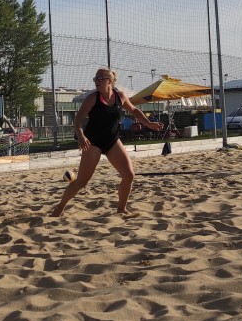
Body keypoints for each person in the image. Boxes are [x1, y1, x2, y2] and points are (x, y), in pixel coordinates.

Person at [51, 68, 163, 217]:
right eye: (95, 79)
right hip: (93, 143)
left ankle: (121, 208)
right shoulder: (92, 98)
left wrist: (149, 124)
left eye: (100, 79)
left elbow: (134, 110)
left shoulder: (120, 97)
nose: (96, 82)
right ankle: (60, 207)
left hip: (112, 141)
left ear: (109, 81)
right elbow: (78, 120)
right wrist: (81, 136)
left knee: (129, 175)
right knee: (82, 181)